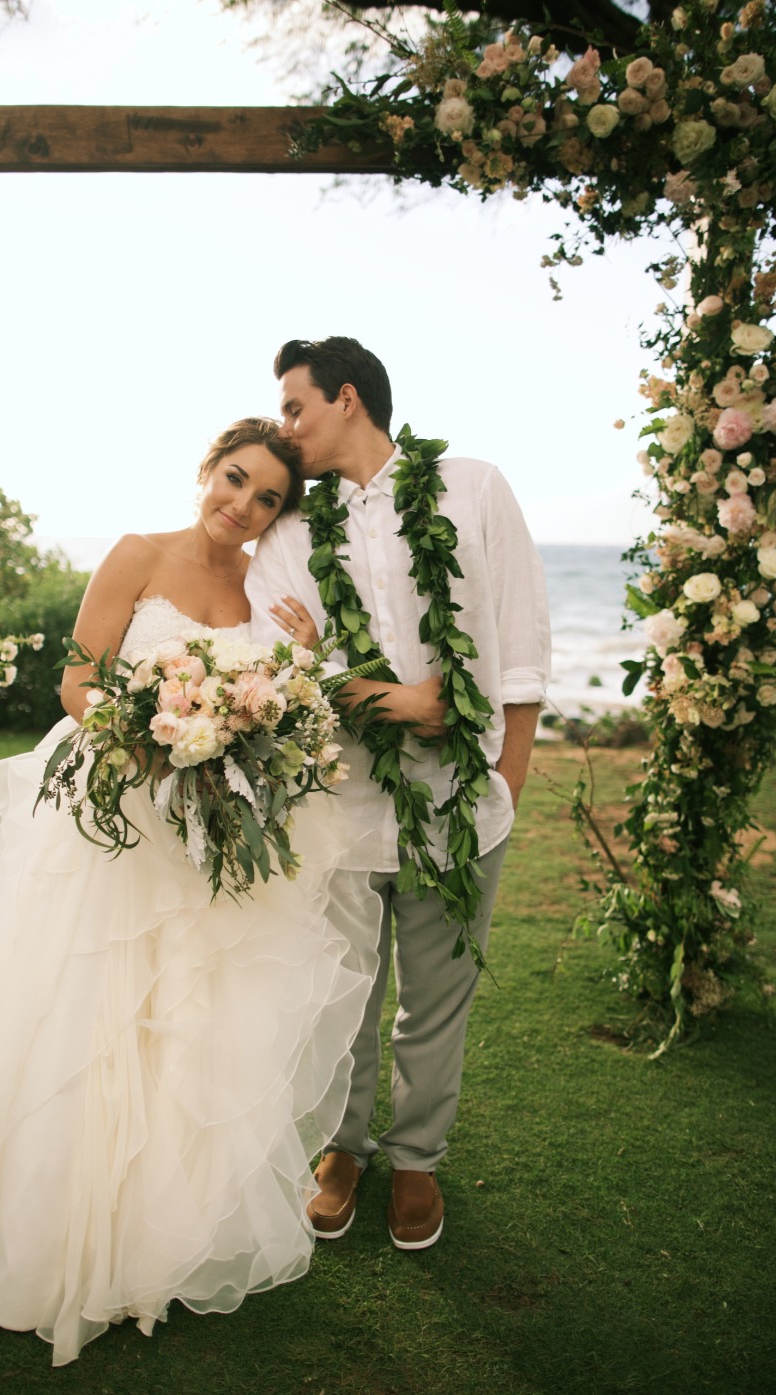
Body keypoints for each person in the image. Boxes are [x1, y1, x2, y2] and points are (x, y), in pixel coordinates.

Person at [0, 417, 378, 1366]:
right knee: (92, 1014)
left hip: (205, 823)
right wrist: (153, 739)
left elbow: (268, 697)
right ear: (207, 468)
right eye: (234, 479)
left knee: (189, 1018)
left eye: (265, 500)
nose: (242, 506)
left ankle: (159, 1238)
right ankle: (61, 1233)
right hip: (118, 813)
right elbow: (78, 679)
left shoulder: (261, 584)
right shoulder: (138, 552)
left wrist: (295, 659)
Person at [246, 339, 551, 1251]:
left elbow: (521, 630)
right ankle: (341, 1150)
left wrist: (509, 779)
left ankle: (416, 1159)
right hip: (338, 804)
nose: (285, 427)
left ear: (347, 398)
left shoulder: (473, 487)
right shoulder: (291, 531)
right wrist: (394, 698)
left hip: (462, 803)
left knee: (436, 1000)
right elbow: (280, 662)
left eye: (295, 407)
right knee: (343, 994)